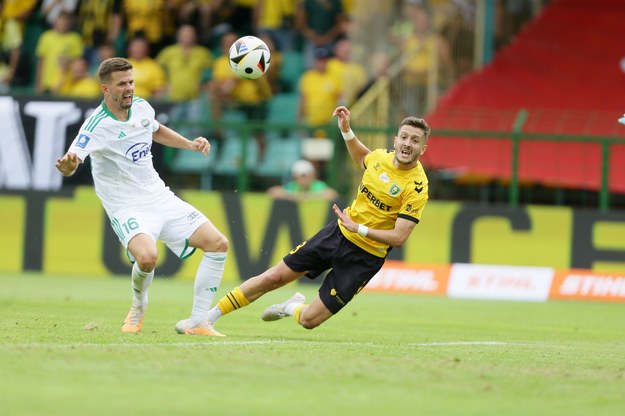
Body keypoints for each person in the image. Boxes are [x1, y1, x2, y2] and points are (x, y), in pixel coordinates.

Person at [204, 105, 430, 333]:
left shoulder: (417, 186)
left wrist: (359, 228)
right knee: (273, 276)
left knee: (309, 320)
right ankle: (206, 319)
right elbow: (362, 157)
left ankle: (291, 307)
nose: (407, 144)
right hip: (338, 234)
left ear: (423, 148)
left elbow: (399, 237)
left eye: (415, 140)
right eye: (404, 137)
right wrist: (346, 130)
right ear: (395, 140)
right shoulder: (381, 158)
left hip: (365, 257)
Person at [54, 57, 228, 336]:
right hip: (126, 206)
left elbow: (155, 130)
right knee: (147, 258)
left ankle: (198, 322)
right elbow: (73, 160)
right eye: (122, 84)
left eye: (131, 82)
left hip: (159, 196)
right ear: (105, 89)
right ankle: (138, 304)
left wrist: (188, 144)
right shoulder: (95, 125)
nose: (129, 88)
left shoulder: (143, 108)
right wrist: (68, 166)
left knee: (218, 244)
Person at [267, 159, 338, 201]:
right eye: (301, 176)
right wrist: (296, 196)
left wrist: (308, 196)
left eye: (306, 176)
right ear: (295, 177)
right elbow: (272, 192)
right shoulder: (293, 186)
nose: (304, 179)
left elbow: (333, 194)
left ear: (312, 175)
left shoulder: (318, 185)